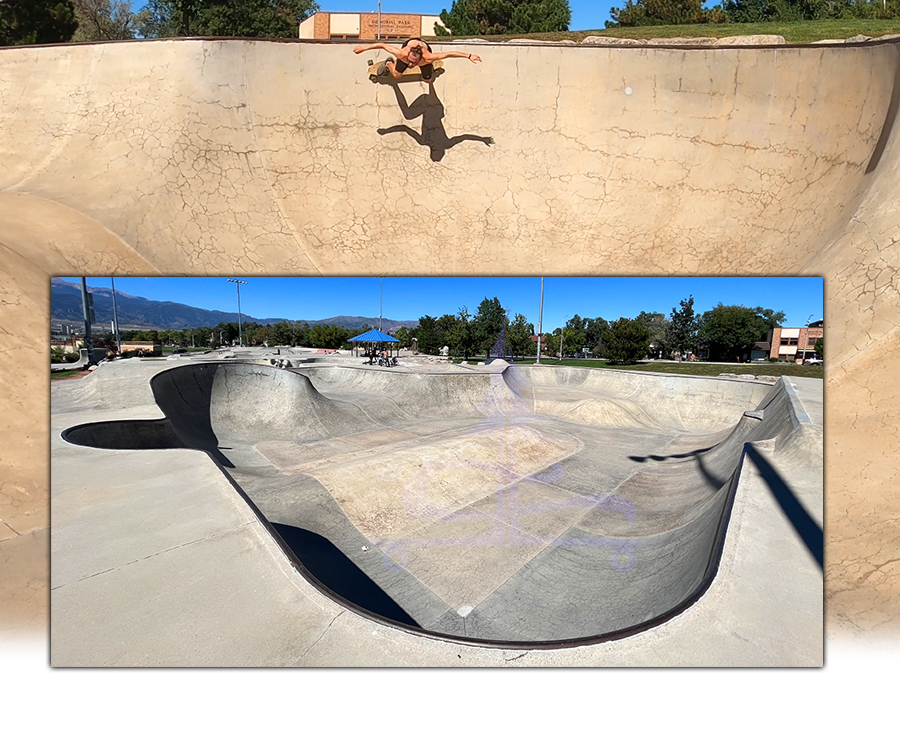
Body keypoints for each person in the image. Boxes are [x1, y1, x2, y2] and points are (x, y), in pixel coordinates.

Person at [353, 38, 481, 83]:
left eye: (414, 63)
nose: (410, 65)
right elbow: (382, 45)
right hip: (410, 45)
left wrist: (469, 56)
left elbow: (449, 54)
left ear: (420, 58)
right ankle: (388, 63)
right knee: (397, 75)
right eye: (409, 62)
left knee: (428, 81)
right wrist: (363, 48)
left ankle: (428, 67)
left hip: (425, 51)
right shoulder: (402, 53)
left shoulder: (428, 56)